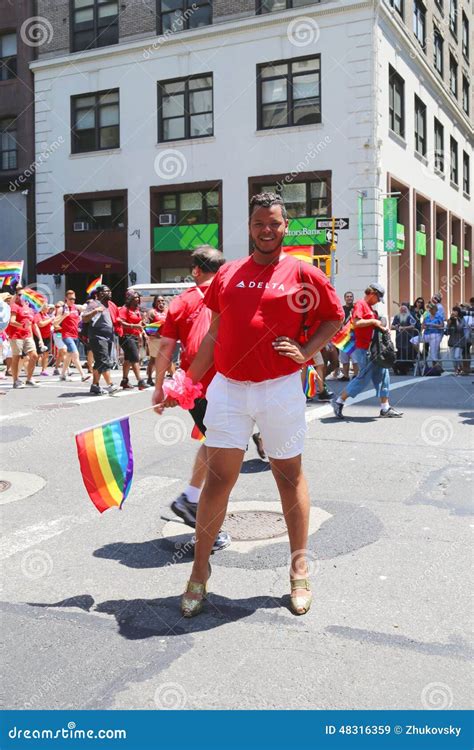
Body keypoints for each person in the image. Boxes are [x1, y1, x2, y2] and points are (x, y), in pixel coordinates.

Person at [156, 193, 344, 618]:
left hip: (279, 388)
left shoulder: (303, 273)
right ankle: (199, 572)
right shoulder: (228, 274)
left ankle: (298, 569)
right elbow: (212, 335)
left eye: (274, 223)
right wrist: (184, 381)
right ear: (249, 226)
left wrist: (307, 349)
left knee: (287, 475)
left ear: (285, 227)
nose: (267, 230)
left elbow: (334, 317)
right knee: (219, 480)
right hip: (229, 389)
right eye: (259, 223)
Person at [153, 246, 231, 553]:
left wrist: (159, 387)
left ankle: (191, 498)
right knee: (223, 454)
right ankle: (205, 525)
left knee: (215, 445)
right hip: (225, 385)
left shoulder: (181, 302)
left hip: (195, 388)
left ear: (196, 270)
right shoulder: (228, 293)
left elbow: (165, 348)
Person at [332, 283, 403, 419]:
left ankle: (385, 408)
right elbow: (356, 323)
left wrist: (378, 324)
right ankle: (338, 401)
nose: (378, 301)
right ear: (372, 294)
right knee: (363, 378)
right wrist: (374, 322)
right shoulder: (360, 304)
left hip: (371, 349)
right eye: (378, 298)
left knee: (384, 375)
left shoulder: (368, 307)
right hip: (363, 349)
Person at [81, 285, 120, 395]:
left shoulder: (109, 305)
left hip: (108, 337)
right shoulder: (93, 303)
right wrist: (95, 311)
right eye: (106, 291)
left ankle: (95, 385)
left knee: (99, 362)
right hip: (97, 337)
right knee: (104, 360)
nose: (109, 293)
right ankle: (110, 384)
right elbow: (84, 318)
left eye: (109, 291)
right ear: (98, 294)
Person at [5, 285, 43, 388]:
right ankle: (15, 381)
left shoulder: (29, 308)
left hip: (27, 335)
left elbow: (32, 324)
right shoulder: (15, 306)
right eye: (19, 295)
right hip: (16, 335)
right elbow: (12, 322)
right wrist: (21, 326)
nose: (21, 296)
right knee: (16, 358)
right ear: (16, 296)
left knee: (34, 356)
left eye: (23, 295)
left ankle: (29, 379)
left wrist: (39, 339)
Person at [56, 290, 90, 383]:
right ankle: (83, 375)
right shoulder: (61, 309)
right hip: (66, 335)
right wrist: (64, 316)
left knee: (69, 356)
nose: (72, 301)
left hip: (75, 335)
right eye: (71, 299)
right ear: (66, 299)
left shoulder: (76, 307)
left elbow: (86, 307)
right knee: (76, 354)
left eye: (74, 299)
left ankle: (62, 374)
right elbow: (55, 323)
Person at [118, 291, 149, 390]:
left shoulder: (137, 310)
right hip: (126, 337)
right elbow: (121, 323)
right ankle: (140, 381)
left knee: (128, 359)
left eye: (138, 297)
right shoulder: (124, 309)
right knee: (135, 357)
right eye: (135, 297)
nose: (137, 299)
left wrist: (142, 329)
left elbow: (138, 323)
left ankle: (124, 381)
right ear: (129, 299)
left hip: (134, 336)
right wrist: (134, 326)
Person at [146, 295, 168, 386]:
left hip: (166, 339)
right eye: (158, 301)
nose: (161, 303)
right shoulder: (152, 312)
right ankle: (149, 378)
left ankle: (165, 377)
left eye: (162, 301)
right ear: (155, 302)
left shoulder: (167, 311)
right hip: (155, 339)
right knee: (153, 359)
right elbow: (146, 325)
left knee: (167, 359)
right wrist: (155, 333)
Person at [391, 302, 417, 374]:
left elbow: (413, 326)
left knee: (407, 354)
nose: (403, 311)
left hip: (408, 339)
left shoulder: (410, 317)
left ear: (407, 310)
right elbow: (392, 326)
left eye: (404, 310)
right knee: (400, 354)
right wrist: (397, 327)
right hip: (399, 339)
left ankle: (405, 369)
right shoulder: (397, 317)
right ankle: (398, 368)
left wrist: (404, 328)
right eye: (401, 310)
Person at [339, 291, 358, 380]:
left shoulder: (356, 308)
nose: (349, 298)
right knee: (344, 358)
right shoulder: (341, 309)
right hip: (343, 336)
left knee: (355, 358)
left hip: (354, 336)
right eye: (347, 296)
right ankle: (346, 376)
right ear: (345, 298)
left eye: (351, 296)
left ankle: (356, 375)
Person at [422, 301, 445, 366]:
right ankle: (425, 363)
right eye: (429, 308)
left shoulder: (439, 315)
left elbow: (442, 325)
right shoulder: (426, 314)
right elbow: (423, 325)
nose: (430, 310)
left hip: (436, 335)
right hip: (427, 334)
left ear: (435, 309)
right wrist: (425, 326)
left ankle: (437, 366)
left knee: (435, 351)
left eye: (431, 308)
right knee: (425, 349)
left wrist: (434, 325)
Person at [34, 303, 54, 376]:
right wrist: (50, 320)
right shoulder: (38, 315)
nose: (48, 309)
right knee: (37, 354)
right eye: (47, 307)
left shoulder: (47, 315)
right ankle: (30, 367)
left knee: (46, 354)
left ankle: (44, 370)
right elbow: (40, 324)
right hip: (39, 337)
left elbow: (50, 323)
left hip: (47, 336)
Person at [446, 307, 466, 374]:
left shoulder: (462, 319)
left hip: (460, 340)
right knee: (453, 357)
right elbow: (447, 332)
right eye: (453, 311)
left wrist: (457, 320)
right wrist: (449, 323)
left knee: (457, 356)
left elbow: (460, 328)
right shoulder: (451, 320)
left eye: (455, 311)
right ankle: (456, 369)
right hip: (452, 340)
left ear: (458, 312)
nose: (454, 312)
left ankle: (460, 367)